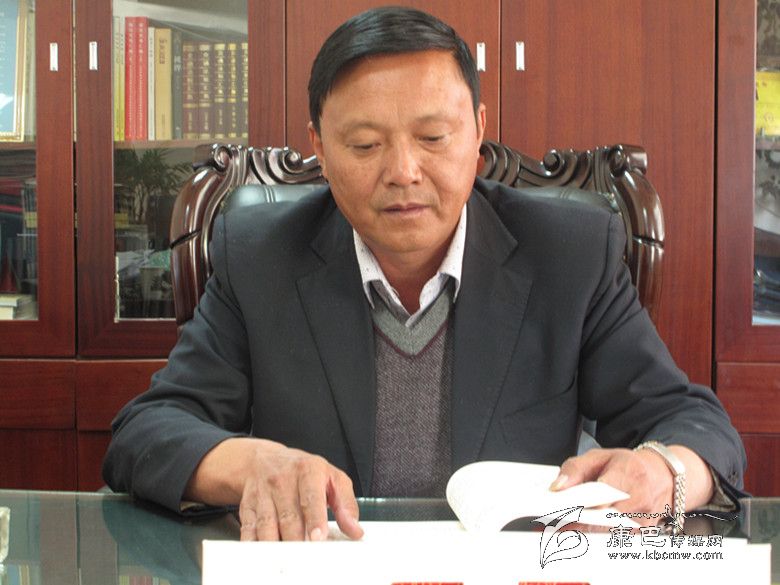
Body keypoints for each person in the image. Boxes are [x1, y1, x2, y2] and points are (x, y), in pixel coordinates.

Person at [103, 6, 746, 542]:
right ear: (320, 148)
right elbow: (146, 433)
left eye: (433, 137)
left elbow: (693, 423)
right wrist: (248, 464)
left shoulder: (569, 253)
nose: (403, 172)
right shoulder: (260, 255)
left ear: (478, 133)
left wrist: (666, 472)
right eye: (365, 145)